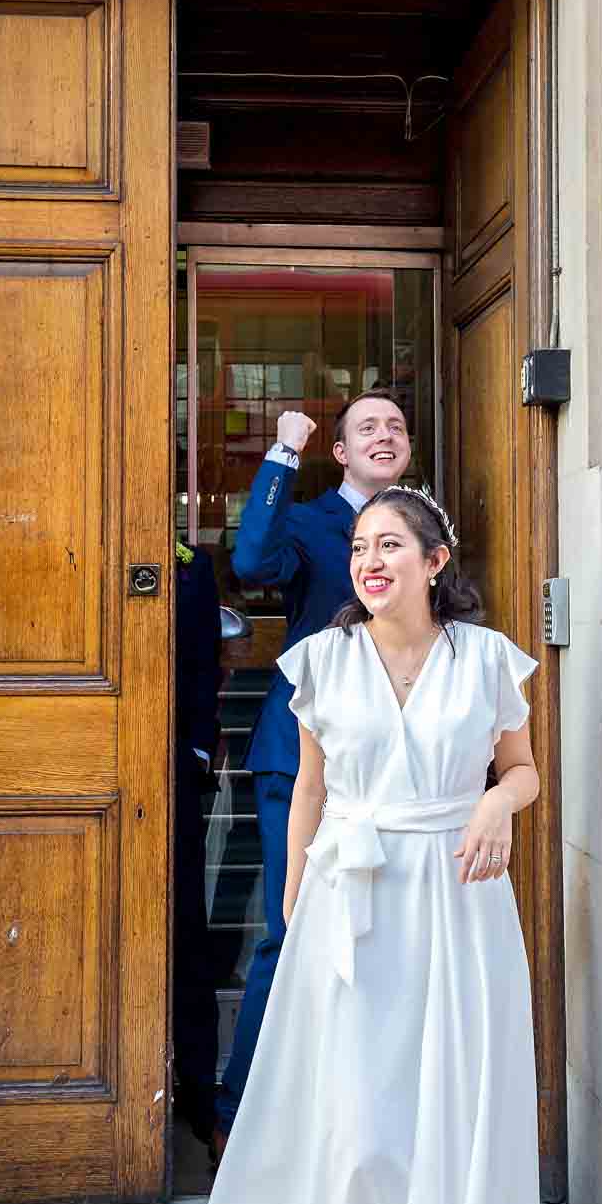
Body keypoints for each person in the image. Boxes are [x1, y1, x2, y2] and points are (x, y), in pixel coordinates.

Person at [171, 486, 543, 1204]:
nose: (371, 560)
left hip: (459, 910)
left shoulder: (488, 659)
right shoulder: (323, 661)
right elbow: (313, 797)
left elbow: (525, 769)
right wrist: (294, 904)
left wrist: (498, 805)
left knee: (447, 1110)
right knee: (367, 1120)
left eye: (392, 544)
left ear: (435, 558)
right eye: (363, 545)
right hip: (353, 899)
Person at [214, 393, 412, 1151]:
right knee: (290, 929)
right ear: (341, 452)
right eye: (367, 428)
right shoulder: (311, 519)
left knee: (384, 933)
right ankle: (243, 1116)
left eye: (394, 426)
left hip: (395, 757)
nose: (383, 436)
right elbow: (253, 562)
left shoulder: (422, 525)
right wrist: (279, 457)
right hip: (301, 751)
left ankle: (362, 1112)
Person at [172, 538, 223, 1151]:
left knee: (188, 931)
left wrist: (201, 750)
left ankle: (199, 1093)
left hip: (175, 768)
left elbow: (206, 664)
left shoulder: (191, 564)